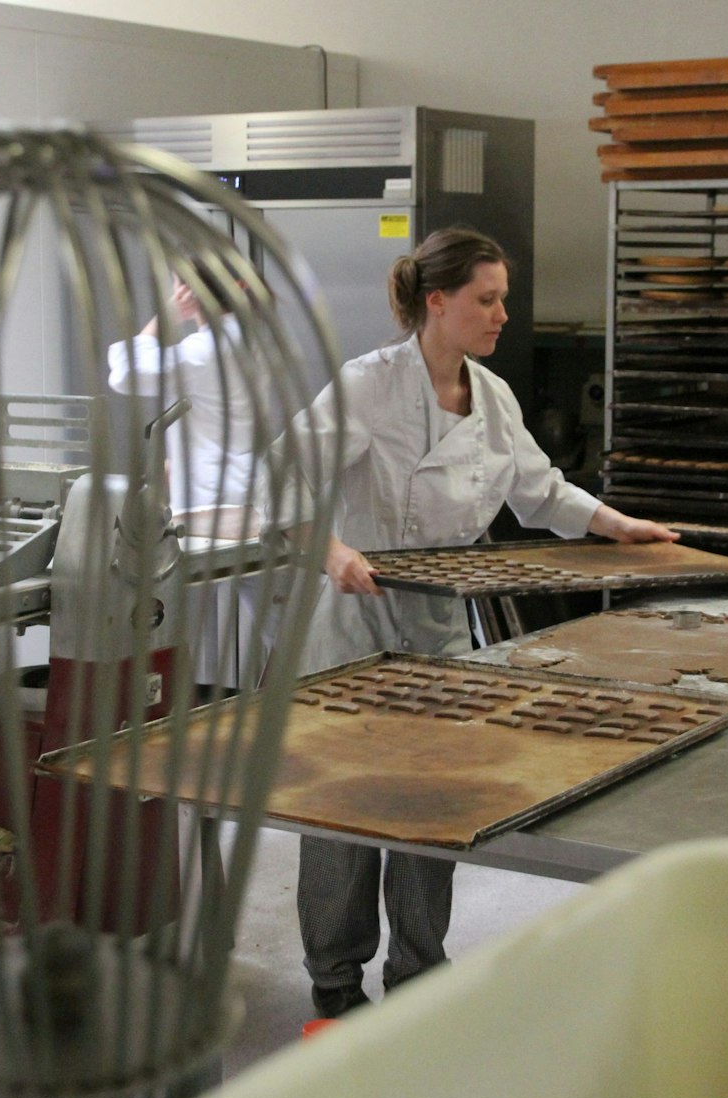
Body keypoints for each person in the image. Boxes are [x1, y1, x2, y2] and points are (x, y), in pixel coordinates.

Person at [267, 227, 677, 1018]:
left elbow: (540, 491)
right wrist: (332, 552)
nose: (500, 315)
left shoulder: (491, 396)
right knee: (346, 816)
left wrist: (617, 524)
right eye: (486, 300)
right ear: (438, 301)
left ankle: (419, 982)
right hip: (355, 629)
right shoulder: (368, 387)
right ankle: (336, 987)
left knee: (434, 807)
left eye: (503, 300)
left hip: (443, 632)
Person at [106, 274, 260, 517]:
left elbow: (126, 373)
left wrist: (166, 316)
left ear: (187, 292)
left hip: (211, 499)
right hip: (244, 486)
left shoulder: (207, 348)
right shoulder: (250, 337)